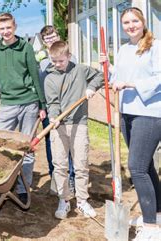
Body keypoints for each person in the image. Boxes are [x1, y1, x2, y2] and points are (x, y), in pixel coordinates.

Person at [101, 7, 161, 240]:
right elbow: (118, 79)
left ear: (143, 21)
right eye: (126, 23)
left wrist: (131, 84)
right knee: (145, 167)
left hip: (150, 113)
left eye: (134, 21)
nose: (130, 26)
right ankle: (156, 215)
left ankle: (151, 229)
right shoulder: (124, 49)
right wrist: (108, 69)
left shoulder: (156, 46)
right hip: (127, 112)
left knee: (135, 167)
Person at [0, 13, 46, 206]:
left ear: (14, 26)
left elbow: (34, 75)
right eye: (2, 28)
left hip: (29, 103)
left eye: (8, 27)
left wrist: (42, 104)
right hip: (8, 104)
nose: (6, 32)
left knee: (27, 148)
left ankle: (24, 188)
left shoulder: (26, 48)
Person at [45, 41, 103, 220]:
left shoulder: (80, 70)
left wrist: (90, 88)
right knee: (60, 165)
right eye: (54, 61)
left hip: (79, 123)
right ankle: (64, 199)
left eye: (61, 61)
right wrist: (54, 117)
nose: (57, 64)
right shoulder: (49, 78)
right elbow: (52, 103)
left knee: (81, 164)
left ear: (68, 57)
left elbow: (100, 76)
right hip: (59, 126)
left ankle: (82, 200)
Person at [38, 25, 76, 195]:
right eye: (47, 39)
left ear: (58, 36)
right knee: (51, 143)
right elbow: (40, 86)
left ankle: (71, 178)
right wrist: (42, 106)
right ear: (44, 42)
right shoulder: (44, 63)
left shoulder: (71, 58)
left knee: (70, 141)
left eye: (53, 36)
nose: (51, 40)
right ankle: (56, 177)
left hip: (69, 107)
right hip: (50, 108)